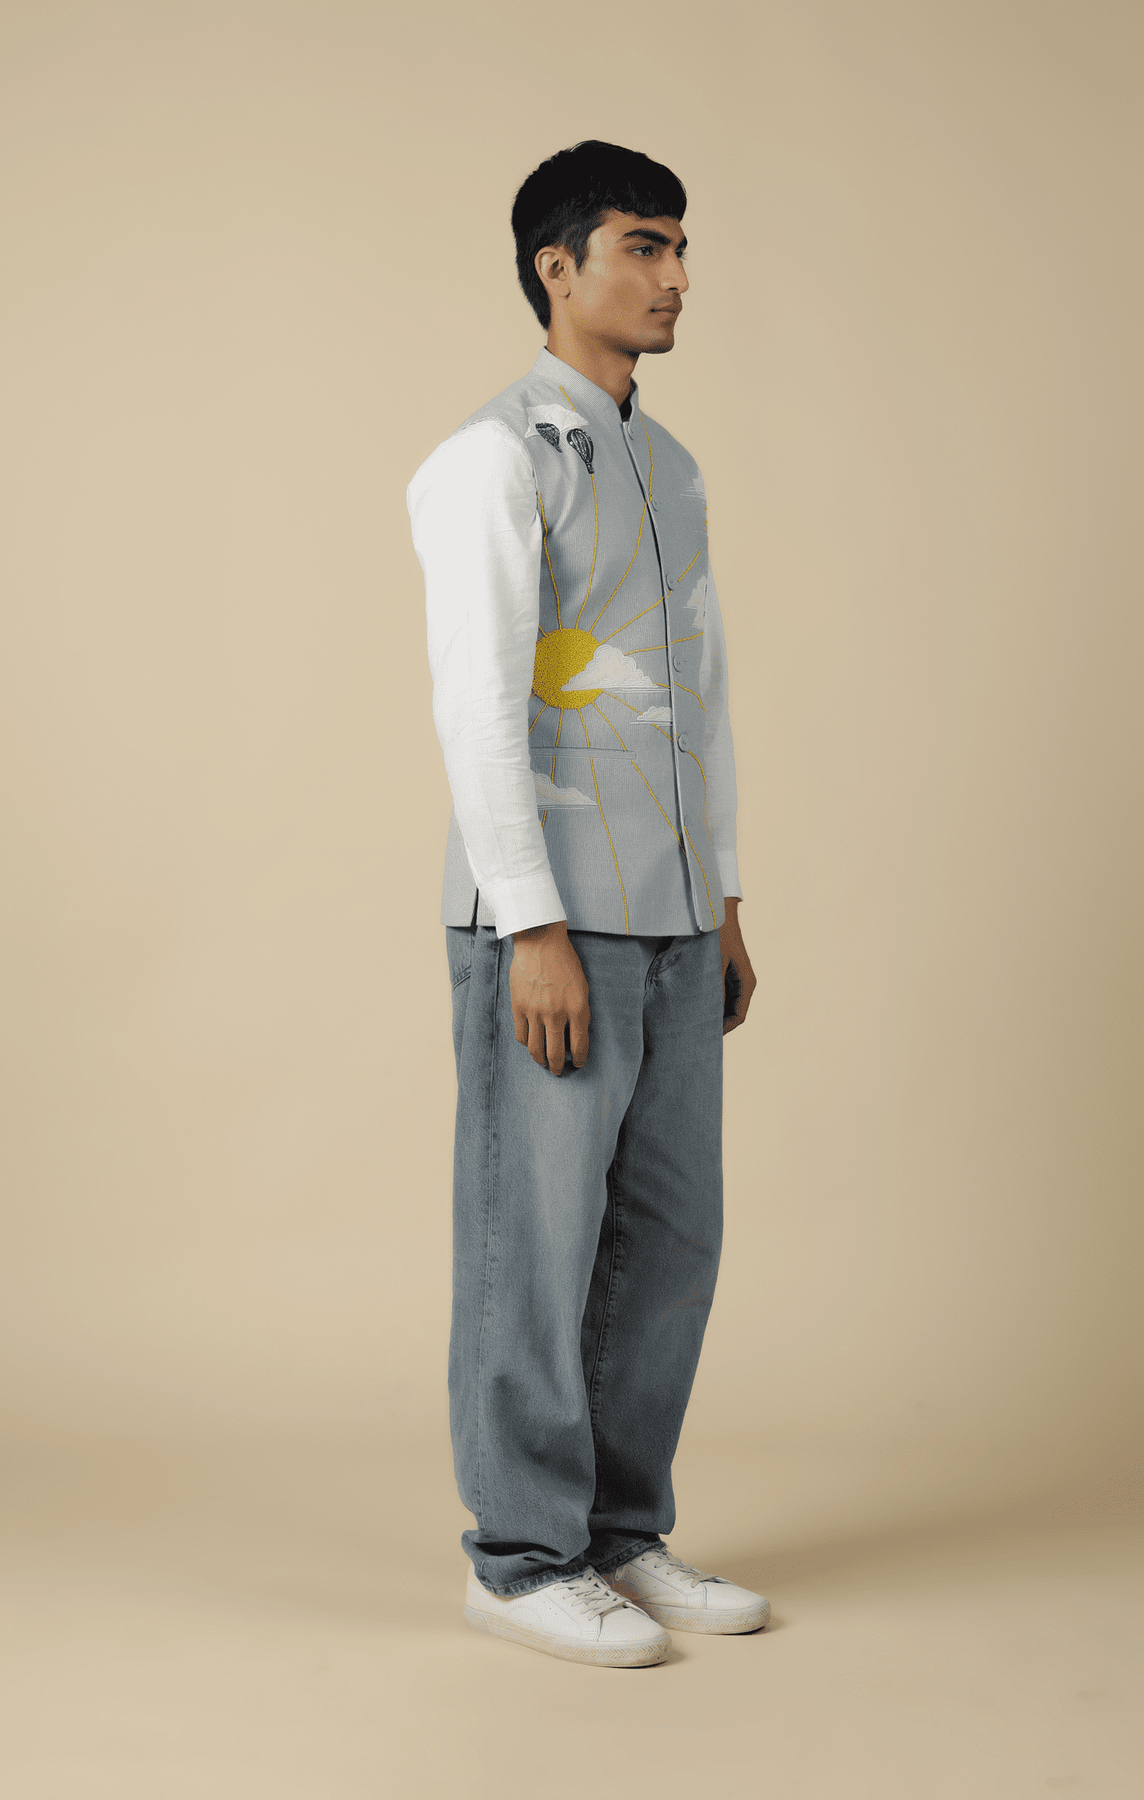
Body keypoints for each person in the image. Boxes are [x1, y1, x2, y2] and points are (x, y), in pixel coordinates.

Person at [406, 140, 767, 1667]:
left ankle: (622, 1533)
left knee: (669, 1243)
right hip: (553, 921)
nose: (676, 276)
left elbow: (700, 696)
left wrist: (724, 896)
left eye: (680, 246)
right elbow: (478, 707)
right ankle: (521, 1557)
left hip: (674, 918)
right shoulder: (490, 460)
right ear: (558, 268)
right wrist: (531, 925)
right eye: (643, 245)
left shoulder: (668, 466)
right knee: (536, 1240)